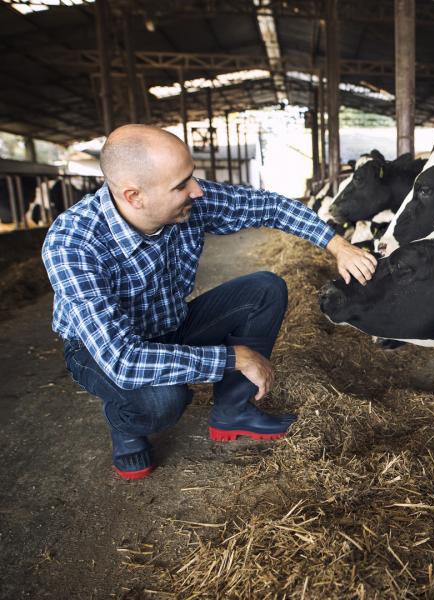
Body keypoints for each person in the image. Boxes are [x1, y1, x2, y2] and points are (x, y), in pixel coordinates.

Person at [42, 124, 377, 480]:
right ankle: (124, 423)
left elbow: (270, 207)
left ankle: (233, 411)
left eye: (191, 177)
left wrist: (338, 246)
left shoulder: (192, 202)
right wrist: (235, 357)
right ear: (134, 196)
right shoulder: (73, 243)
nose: (197, 190)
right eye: (181, 185)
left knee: (264, 289)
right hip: (101, 353)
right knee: (164, 400)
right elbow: (123, 360)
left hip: (172, 323)